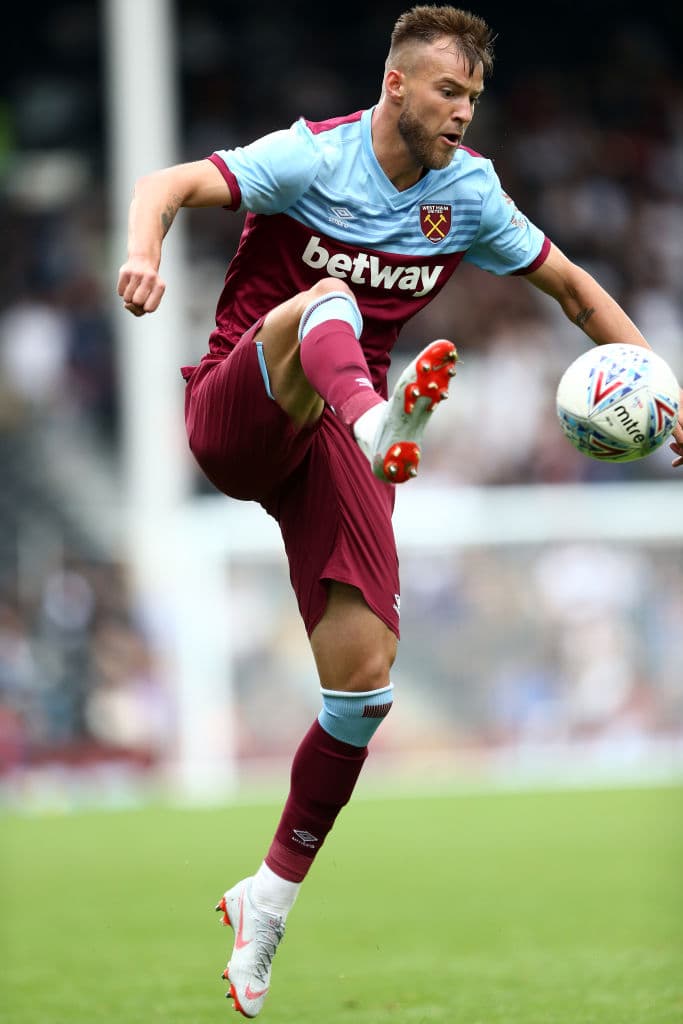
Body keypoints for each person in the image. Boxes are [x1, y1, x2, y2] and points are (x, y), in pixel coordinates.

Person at [118, 4, 683, 1016]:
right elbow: (163, 184)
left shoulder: (468, 194)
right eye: (447, 91)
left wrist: (662, 386)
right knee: (328, 299)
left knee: (363, 690)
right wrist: (144, 254)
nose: (463, 111)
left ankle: (266, 901)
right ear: (395, 86)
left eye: (473, 96)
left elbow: (570, 290)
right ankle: (379, 420)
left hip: (336, 444)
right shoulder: (311, 158)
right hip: (244, 406)